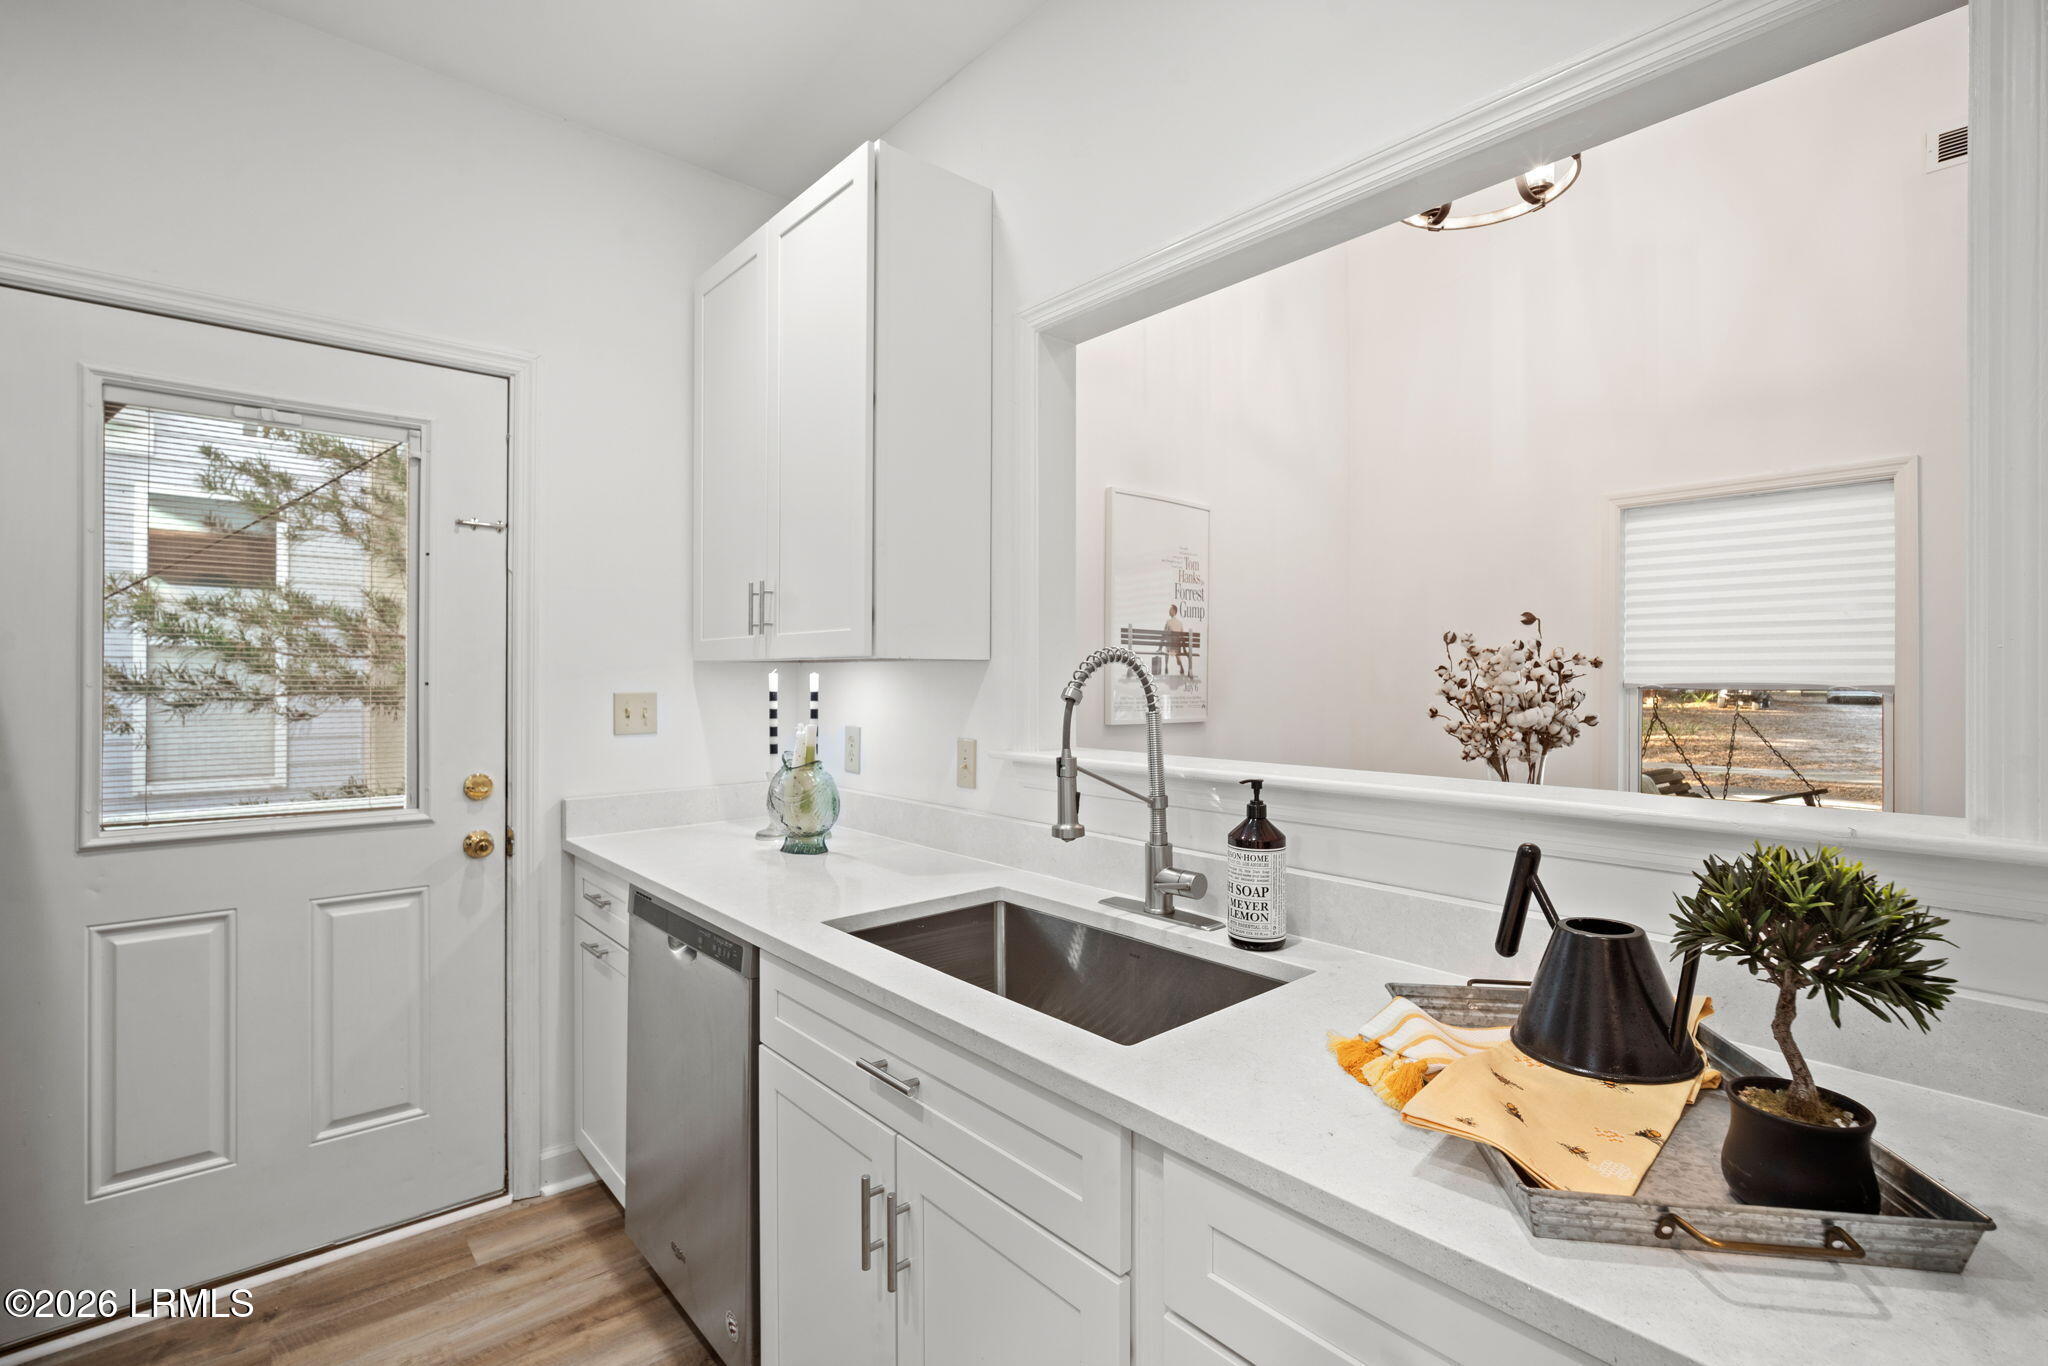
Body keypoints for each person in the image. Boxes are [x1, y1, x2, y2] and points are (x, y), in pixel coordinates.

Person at [1163, 603, 1192, 677]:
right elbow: (1182, 636)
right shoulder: (1180, 622)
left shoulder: (1168, 621)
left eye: (1170, 609)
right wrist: (1184, 649)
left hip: (1170, 647)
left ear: (1173, 611)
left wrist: (1159, 647)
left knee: (1167, 647)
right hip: (1177, 647)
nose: (1169, 611)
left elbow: (1164, 634)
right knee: (1176, 650)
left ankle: (1166, 666)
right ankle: (1181, 667)